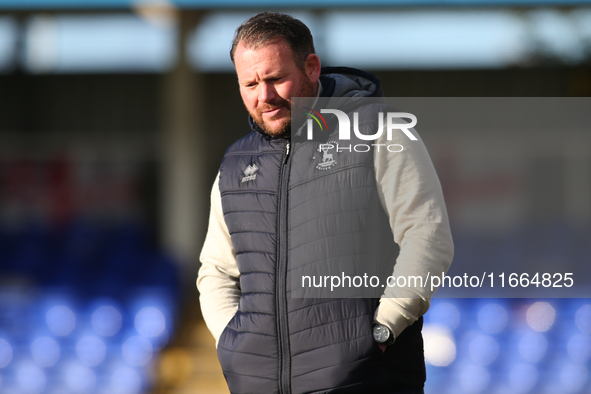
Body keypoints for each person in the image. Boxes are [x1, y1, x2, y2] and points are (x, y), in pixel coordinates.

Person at [197, 12, 453, 394]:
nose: (262, 96)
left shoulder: (381, 132)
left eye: (274, 79)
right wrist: (236, 346)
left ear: (311, 67)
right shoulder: (235, 165)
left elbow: (427, 236)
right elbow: (216, 270)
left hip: (365, 379)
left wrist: (383, 329)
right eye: (249, 83)